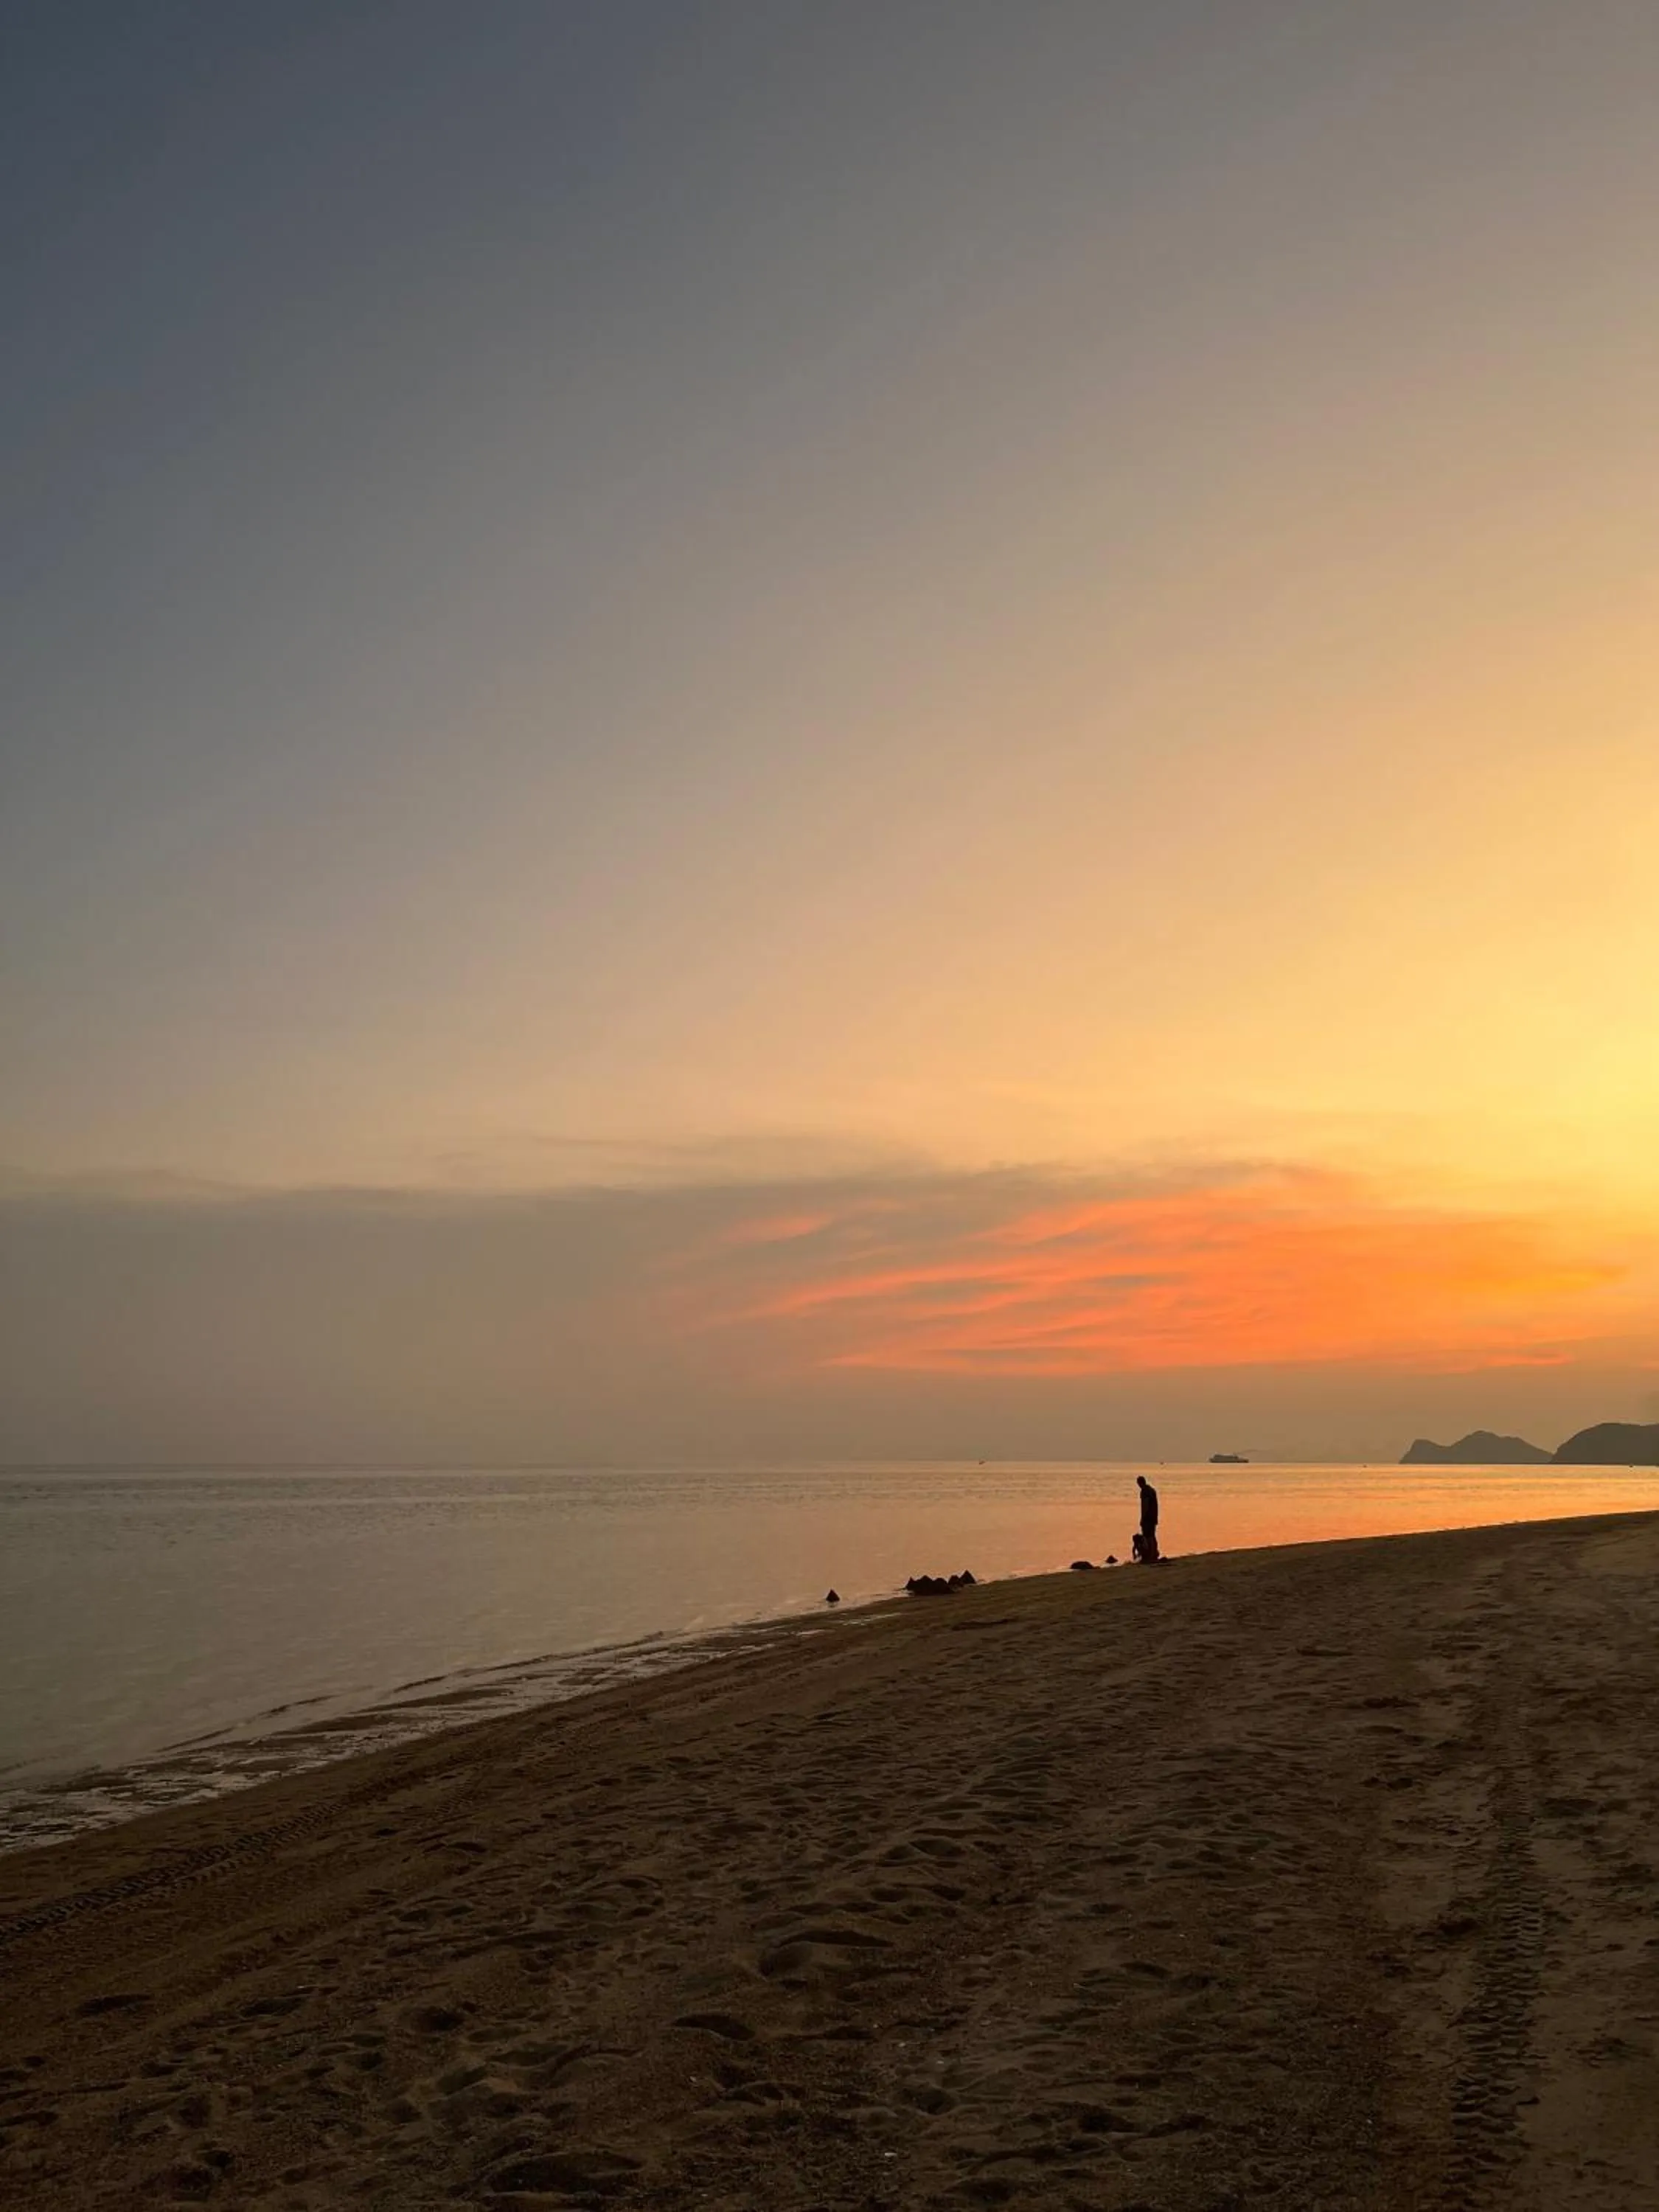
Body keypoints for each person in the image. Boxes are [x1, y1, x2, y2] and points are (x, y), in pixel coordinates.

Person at [1135, 1474, 1160, 1563]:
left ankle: (1151, 1555)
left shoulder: (1145, 1491)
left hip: (1148, 1517)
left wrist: (1142, 1518)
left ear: (1140, 1483)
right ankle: (1154, 1553)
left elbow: (1145, 1505)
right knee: (1152, 1536)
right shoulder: (1152, 1490)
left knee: (1148, 1536)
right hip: (1154, 1516)